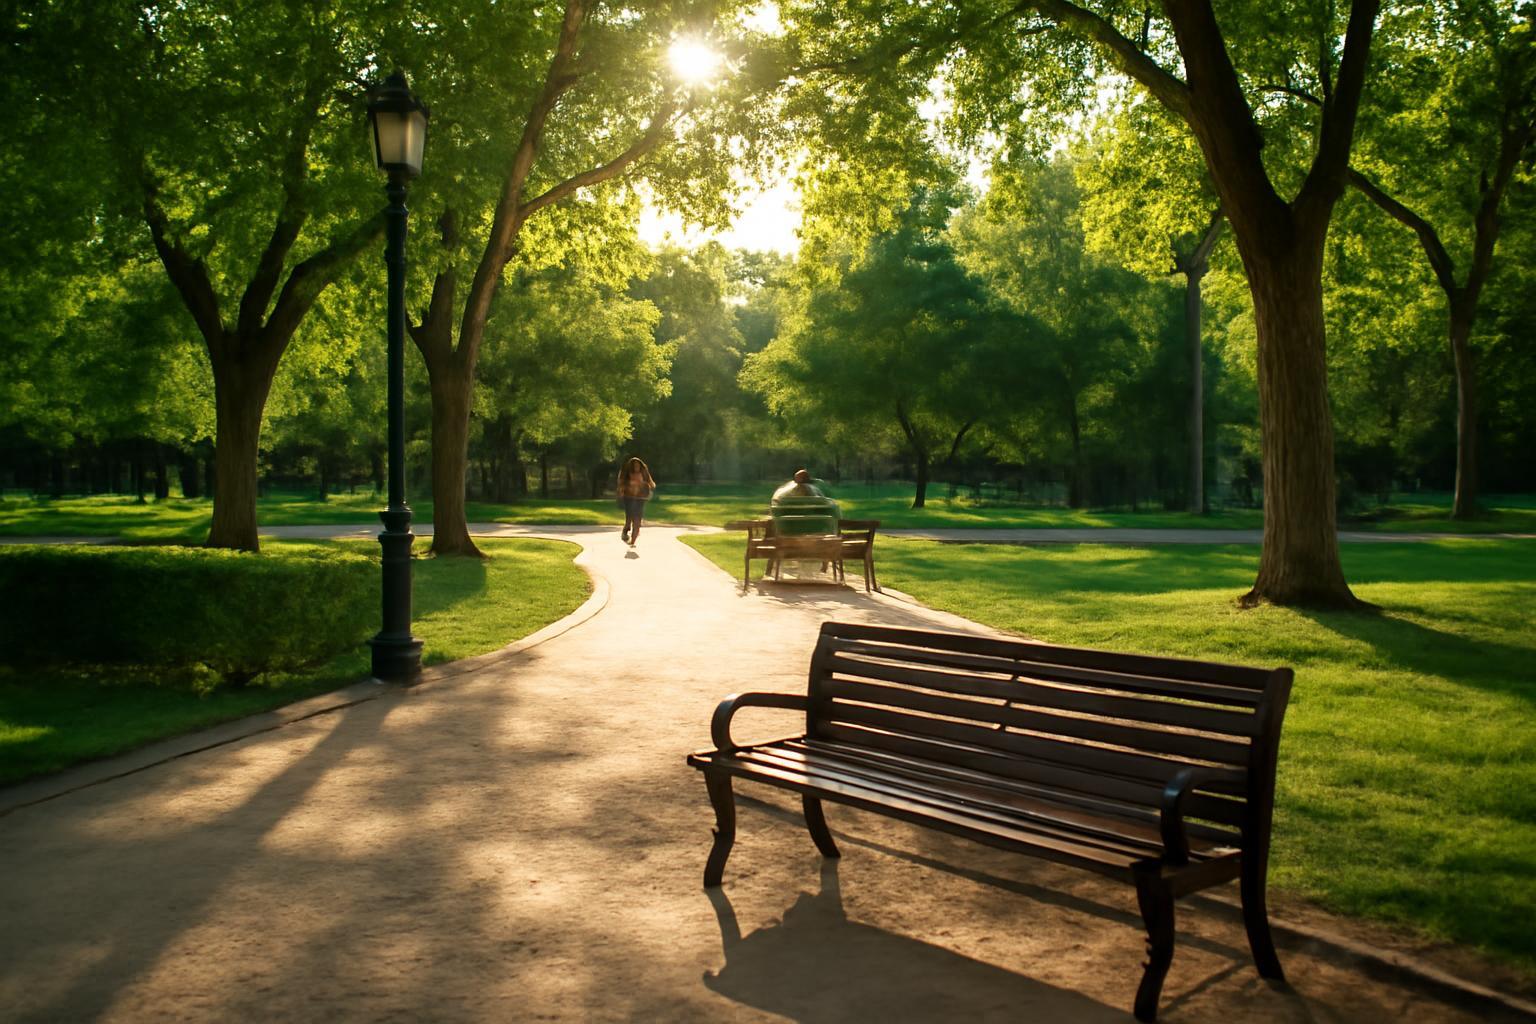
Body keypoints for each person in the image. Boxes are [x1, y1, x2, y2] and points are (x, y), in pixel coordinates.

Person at [616, 456, 656, 546]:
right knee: (629, 519)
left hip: (640, 499)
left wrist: (646, 485)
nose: (636, 467)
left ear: (640, 466)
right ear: (631, 466)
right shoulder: (627, 473)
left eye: (638, 465)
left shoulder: (644, 472)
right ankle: (625, 530)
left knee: (637, 520)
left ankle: (633, 541)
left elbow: (652, 484)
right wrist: (623, 489)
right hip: (629, 498)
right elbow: (621, 483)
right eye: (634, 465)